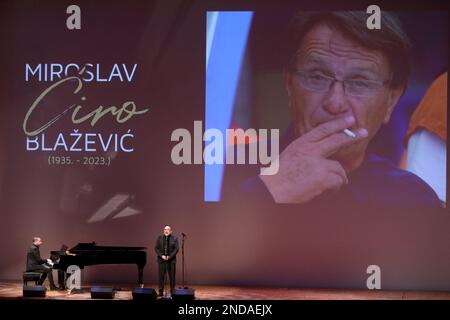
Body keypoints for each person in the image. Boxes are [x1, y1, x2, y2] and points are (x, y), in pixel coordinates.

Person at [231, 11, 441, 208]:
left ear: (391, 102)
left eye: (359, 83)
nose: (335, 103)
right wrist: (269, 191)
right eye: (317, 77)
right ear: (289, 84)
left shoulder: (411, 198)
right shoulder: (224, 170)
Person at [154, 225, 179, 296]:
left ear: (171, 231)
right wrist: (161, 255)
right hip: (161, 260)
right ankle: (161, 292)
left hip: (171, 261)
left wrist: (169, 257)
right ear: (163, 230)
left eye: (168, 229)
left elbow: (176, 249)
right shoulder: (160, 238)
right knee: (161, 277)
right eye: (165, 229)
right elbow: (156, 248)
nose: (166, 231)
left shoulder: (174, 238)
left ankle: (172, 292)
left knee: (172, 277)